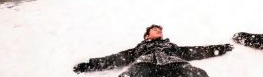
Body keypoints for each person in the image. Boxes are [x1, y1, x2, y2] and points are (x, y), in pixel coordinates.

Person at [73, 24, 234, 77]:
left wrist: (220, 48)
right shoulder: (139, 48)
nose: (159, 32)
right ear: (147, 35)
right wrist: (88, 65)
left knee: (199, 74)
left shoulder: (171, 46)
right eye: (156, 30)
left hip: (174, 64)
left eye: (160, 31)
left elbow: (196, 51)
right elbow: (115, 59)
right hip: (145, 65)